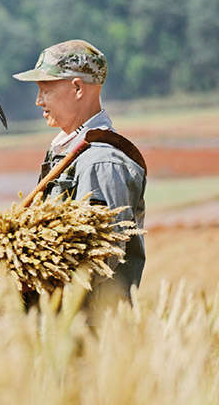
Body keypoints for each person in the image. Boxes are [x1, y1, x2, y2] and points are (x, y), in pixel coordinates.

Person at [13, 39, 146, 301]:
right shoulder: (69, 151)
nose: (39, 101)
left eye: (45, 90)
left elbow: (102, 255)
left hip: (88, 326)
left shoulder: (101, 161)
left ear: (76, 88)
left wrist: (26, 276)